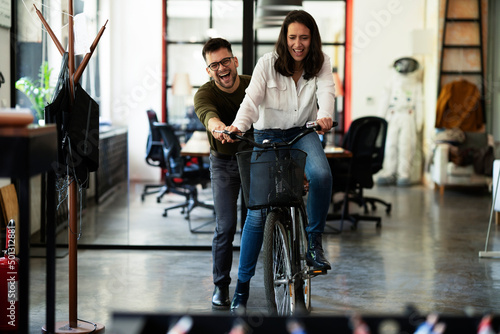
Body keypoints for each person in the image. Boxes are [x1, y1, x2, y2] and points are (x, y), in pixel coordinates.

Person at [223, 10, 336, 313]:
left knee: (322, 176)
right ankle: (243, 287)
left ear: (312, 39)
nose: (298, 44)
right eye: (292, 37)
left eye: (304, 37)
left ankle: (314, 242)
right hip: (268, 137)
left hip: (302, 134)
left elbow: (327, 93)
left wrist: (326, 116)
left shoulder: (321, 63)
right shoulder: (267, 64)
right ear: (284, 39)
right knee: (257, 214)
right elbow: (250, 101)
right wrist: (237, 127)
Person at [193, 38, 252, 310]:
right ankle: (220, 285)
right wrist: (219, 127)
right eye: (214, 65)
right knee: (226, 226)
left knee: (259, 222)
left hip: (255, 160)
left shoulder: (254, 84)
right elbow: (208, 115)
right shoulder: (204, 93)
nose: (221, 68)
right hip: (224, 163)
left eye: (225, 61)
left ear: (235, 61)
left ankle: (246, 283)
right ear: (208, 70)